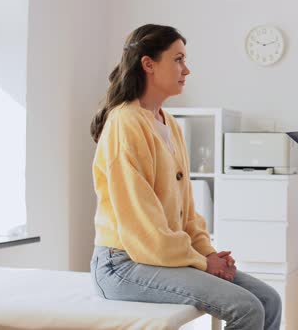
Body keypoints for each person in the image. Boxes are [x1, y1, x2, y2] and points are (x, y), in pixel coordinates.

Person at [89, 24, 281, 330]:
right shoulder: (125, 123)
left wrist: (208, 252)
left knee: (269, 300)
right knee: (246, 308)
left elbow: (187, 211)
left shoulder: (170, 125)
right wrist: (205, 264)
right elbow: (142, 227)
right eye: (178, 59)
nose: (186, 69)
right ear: (148, 64)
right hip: (123, 264)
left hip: (156, 256)